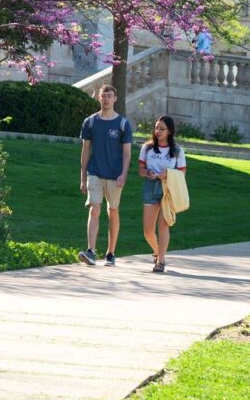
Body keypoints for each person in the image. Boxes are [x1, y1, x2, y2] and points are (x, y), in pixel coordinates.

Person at [78, 84, 132, 266]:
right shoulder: (90, 122)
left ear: (115, 99)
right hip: (95, 172)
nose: (106, 99)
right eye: (104, 96)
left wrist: (124, 174)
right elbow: (85, 151)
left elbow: (127, 153)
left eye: (110, 96)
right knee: (95, 209)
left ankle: (111, 253)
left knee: (113, 211)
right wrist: (83, 177)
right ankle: (91, 251)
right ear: (99, 98)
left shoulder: (123, 124)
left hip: (115, 175)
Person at [138, 116, 187, 273]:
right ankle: (158, 251)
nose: (158, 131)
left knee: (163, 226)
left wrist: (168, 174)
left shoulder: (177, 151)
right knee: (147, 230)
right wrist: (148, 172)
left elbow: (182, 173)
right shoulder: (147, 148)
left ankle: (161, 261)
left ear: (170, 131)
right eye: (156, 128)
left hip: (168, 189)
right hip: (150, 187)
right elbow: (140, 170)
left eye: (162, 129)